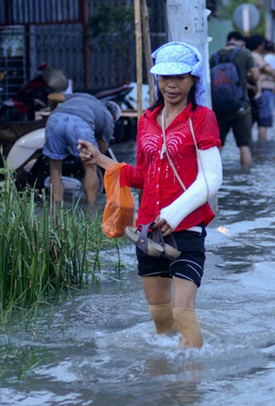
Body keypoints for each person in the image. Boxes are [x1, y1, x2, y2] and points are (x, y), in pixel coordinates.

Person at [78, 41, 223, 349]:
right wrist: (99, 160)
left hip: (186, 229)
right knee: (160, 319)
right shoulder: (147, 120)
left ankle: (192, 387)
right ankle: (164, 379)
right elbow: (142, 176)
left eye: (180, 77)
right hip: (148, 231)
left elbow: (213, 178)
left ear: (194, 79)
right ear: (156, 78)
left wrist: (175, 213)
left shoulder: (202, 118)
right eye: (165, 77)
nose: (172, 84)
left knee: (182, 313)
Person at [42, 93, 119, 209]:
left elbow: (52, 97)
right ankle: (91, 211)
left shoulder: (85, 97)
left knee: (55, 168)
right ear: (113, 117)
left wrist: (54, 111)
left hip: (55, 119)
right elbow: (100, 154)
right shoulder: (108, 118)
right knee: (91, 166)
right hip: (80, 124)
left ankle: (56, 211)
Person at [210, 31, 258, 166]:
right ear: (241, 42)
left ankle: (215, 176)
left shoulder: (215, 56)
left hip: (219, 108)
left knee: (217, 145)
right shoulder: (245, 54)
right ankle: (246, 177)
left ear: (227, 42)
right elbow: (256, 76)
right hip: (241, 106)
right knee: (244, 145)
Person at [245, 34, 275, 142]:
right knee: (263, 122)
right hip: (264, 90)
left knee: (255, 121)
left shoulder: (250, 55)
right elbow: (268, 70)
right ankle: (262, 147)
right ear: (259, 45)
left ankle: (254, 148)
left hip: (256, 91)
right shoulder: (256, 56)